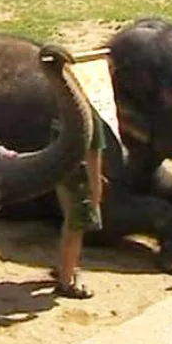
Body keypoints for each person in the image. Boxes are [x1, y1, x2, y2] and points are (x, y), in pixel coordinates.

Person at [49, 108, 107, 299]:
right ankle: (66, 283)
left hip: (62, 172)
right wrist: (96, 186)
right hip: (80, 179)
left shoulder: (64, 109)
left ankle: (65, 267)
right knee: (76, 230)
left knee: (68, 224)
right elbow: (93, 154)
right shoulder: (91, 115)